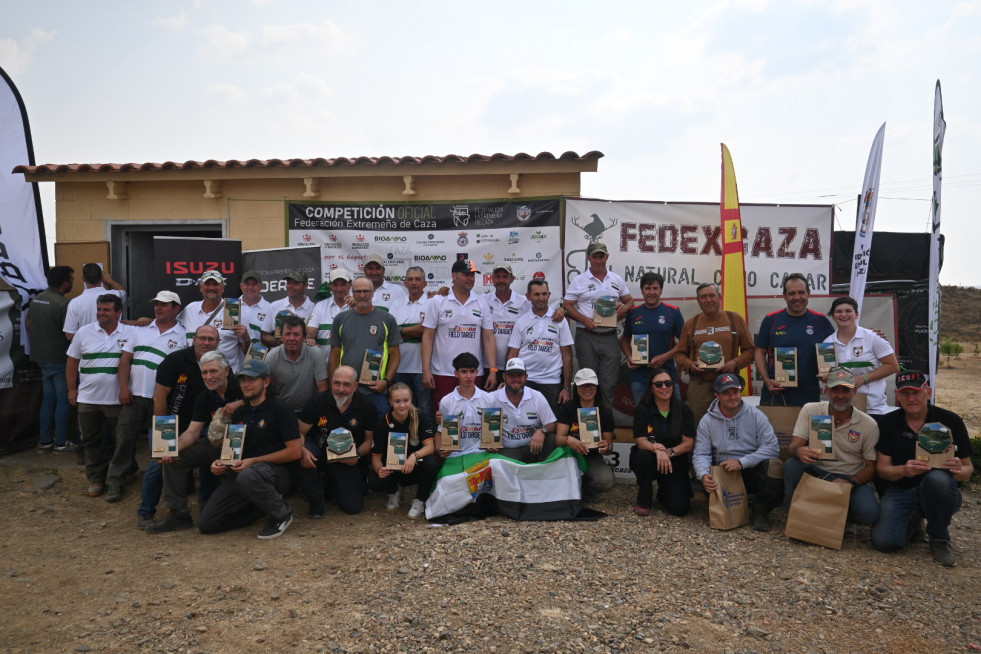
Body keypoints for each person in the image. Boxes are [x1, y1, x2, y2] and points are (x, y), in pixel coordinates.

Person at [871, 371, 974, 566]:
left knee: (937, 479)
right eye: (905, 393)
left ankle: (939, 539)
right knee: (885, 542)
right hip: (901, 489)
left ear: (928, 392)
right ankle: (914, 521)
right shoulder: (887, 423)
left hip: (939, 489)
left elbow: (968, 469)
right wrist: (904, 470)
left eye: (916, 392)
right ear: (897, 395)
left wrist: (957, 470)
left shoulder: (950, 421)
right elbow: (883, 470)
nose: (911, 398)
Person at [197, 359, 302, 539]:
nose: (246, 384)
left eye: (252, 379)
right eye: (243, 380)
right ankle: (261, 506)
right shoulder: (239, 413)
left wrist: (254, 461)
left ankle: (281, 514)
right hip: (244, 475)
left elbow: (295, 451)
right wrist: (221, 463)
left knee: (249, 475)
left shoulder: (280, 409)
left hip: (276, 473)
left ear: (266, 382)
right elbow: (233, 450)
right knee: (207, 524)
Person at [146, 350, 243, 534]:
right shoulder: (204, 396)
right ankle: (179, 514)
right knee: (175, 458)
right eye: (205, 373)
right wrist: (169, 450)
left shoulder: (242, 386)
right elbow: (192, 432)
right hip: (218, 445)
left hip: (248, 448)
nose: (209, 377)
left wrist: (241, 402)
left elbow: (265, 397)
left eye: (213, 371)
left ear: (227, 371)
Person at [136, 325, 220, 529]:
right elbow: (160, 396)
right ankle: (146, 511)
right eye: (202, 338)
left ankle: (205, 503)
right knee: (160, 463)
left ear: (218, 343)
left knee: (210, 458)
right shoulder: (175, 361)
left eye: (211, 339)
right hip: (172, 424)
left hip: (203, 425)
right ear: (194, 339)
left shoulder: (220, 364)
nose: (206, 343)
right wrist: (164, 435)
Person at [109, 291, 185, 503]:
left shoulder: (183, 336)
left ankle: (165, 484)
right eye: (157, 304)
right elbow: (125, 360)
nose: (158, 308)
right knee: (124, 439)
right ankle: (117, 480)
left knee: (163, 443)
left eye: (164, 305)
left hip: (163, 399)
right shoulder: (140, 330)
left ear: (176, 309)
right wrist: (123, 388)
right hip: (134, 396)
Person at [784, 367, 880, 527]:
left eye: (846, 390)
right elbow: (793, 446)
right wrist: (799, 451)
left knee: (868, 514)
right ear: (827, 390)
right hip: (817, 473)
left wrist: (851, 483)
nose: (840, 395)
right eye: (835, 389)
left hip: (850, 478)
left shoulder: (868, 424)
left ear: (854, 391)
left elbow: (871, 467)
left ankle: (839, 516)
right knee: (792, 465)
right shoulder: (810, 410)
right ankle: (795, 515)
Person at [692, 373, 783, 531]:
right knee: (698, 478)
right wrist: (703, 475)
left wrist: (742, 462)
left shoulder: (756, 415)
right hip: (722, 471)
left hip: (749, 469)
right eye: (726, 393)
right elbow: (701, 453)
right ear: (717, 395)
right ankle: (716, 500)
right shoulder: (707, 420)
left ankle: (760, 509)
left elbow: (772, 447)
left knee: (774, 466)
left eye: (736, 392)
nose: (732, 397)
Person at [65, 294, 132, 497]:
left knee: (121, 441)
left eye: (107, 310)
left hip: (117, 399)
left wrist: (141, 321)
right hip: (88, 399)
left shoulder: (130, 332)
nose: (101, 313)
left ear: (118, 313)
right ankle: (96, 479)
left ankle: (118, 479)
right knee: (91, 441)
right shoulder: (84, 332)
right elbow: (72, 362)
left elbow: (152, 327)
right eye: (99, 309)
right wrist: (72, 389)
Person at [298, 365, 377, 517]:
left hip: (346, 458)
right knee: (304, 454)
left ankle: (329, 484)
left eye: (347, 384)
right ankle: (315, 504)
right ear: (331, 382)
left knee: (353, 507)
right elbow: (300, 432)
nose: (340, 389)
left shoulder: (366, 405)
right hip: (319, 451)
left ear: (355, 386)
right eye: (337, 383)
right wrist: (302, 450)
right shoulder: (317, 401)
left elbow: (370, 440)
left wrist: (357, 454)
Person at [562, 242, 633, 406]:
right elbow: (567, 304)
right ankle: (588, 427)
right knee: (587, 382)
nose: (598, 260)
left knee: (608, 384)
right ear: (589, 258)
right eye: (595, 257)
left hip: (610, 336)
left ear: (607, 257)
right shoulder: (580, 280)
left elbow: (630, 301)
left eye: (602, 256)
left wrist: (623, 308)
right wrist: (583, 319)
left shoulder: (616, 279)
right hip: (586, 336)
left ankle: (605, 427)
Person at [674, 282, 755, 423]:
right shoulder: (691, 324)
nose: (708, 300)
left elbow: (751, 351)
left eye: (712, 295)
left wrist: (735, 363)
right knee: (697, 427)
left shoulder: (735, 319)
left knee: (730, 426)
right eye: (703, 297)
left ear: (719, 297)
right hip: (699, 387)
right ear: (698, 301)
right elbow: (679, 354)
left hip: (728, 386)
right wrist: (689, 365)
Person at [422, 258, 496, 407]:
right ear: (454, 276)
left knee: (473, 416)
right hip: (443, 372)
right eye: (466, 274)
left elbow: (488, 338)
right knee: (444, 419)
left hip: (473, 373)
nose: (470, 279)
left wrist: (493, 370)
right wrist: (426, 370)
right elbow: (427, 337)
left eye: (472, 275)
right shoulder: (438, 301)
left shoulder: (481, 302)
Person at [754, 273, 834, 406]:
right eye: (792, 293)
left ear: (809, 293)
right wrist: (767, 380)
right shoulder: (771, 320)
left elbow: (839, 345)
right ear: (784, 296)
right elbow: (759, 351)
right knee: (774, 428)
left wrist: (874, 334)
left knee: (808, 427)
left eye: (801, 292)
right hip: (776, 393)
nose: (797, 297)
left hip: (809, 395)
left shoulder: (820, 320)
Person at [329, 277, 402, 415]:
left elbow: (396, 354)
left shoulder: (387, 319)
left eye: (366, 291)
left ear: (373, 292)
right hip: (346, 390)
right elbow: (334, 354)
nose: (362, 295)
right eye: (358, 292)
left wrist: (386, 381)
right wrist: (334, 384)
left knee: (378, 433)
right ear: (352, 293)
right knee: (346, 433)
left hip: (376, 391)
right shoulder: (341, 319)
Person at [630, 368, 696, 517]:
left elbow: (688, 444)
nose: (664, 387)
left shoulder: (684, 410)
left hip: (674, 461)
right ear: (651, 389)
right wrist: (657, 450)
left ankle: (663, 492)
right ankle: (644, 498)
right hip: (650, 459)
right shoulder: (643, 409)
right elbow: (641, 441)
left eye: (668, 383)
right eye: (658, 384)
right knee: (643, 456)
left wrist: (668, 452)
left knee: (680, 509)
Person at [368, 382, 439, 518]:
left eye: (405, 401)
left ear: (411, 399)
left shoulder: (420, 417)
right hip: (394, 469)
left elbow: (430, 447)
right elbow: (376, 458)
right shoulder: (383, 423)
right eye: (397, 401)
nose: (402, 405)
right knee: (374, 480)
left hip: (413, 468)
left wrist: (414, 456)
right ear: (390, 402)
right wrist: (379, 470)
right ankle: (394, 491)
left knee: (430, 463)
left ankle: (420, 500)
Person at [822, 296, 899, 416]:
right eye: (838, 311)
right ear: (833, 316)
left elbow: (893, 366)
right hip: (842, 408)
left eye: (848, 311)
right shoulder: (827, 343)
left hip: (873, 407)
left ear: (856, 315)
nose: (843, 315)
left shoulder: (872, 337)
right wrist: (826, 377)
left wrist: (864, 378)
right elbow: (827, 372)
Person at [506, 279, 574, 412]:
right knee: (525, 422)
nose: (541, 298)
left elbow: (567, 356)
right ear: (528, 297)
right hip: (525, 381)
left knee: (551, 425)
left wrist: (566, 388)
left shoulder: (560, 320)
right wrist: (509, 381)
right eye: (536, 295)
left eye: (544, 294)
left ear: (549, 294)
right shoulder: (521, 322)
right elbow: (512, 355)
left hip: (551, 381)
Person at [26, 265, 74, 452]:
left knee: (48, 399)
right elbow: (69, 333)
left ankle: (45, 440)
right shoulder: (64, 304)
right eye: (71, 279)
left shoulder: (37, 300)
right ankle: (61, 442)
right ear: (65, 283)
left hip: (40, 358)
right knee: (63, 401)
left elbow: (28, 324)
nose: (72, 282)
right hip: (59, 358)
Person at [619, 272, 684, 404]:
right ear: (642, 291)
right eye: (648, 288)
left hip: (667, 376)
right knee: (644, 419)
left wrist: (664, 357)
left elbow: (684, 343)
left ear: (661, 290)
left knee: (675, 418)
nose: (651, 292)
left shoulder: (673, 312)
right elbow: (625, 340)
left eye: (655, 288)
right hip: (640, 378)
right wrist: (630, 356)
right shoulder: (633, 313)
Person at [555, 368, 615, 498]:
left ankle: (582, 491)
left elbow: (609, 446)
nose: (587, 388)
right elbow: (558, 439)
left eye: (590, 385)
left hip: (592, 457)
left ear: (596, 386)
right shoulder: (567, 408)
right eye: (583, 385)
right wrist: (568, 440)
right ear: (576, 387)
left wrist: (606, 447)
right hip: (570, 455)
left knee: (606, 481)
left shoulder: (605, 411)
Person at [488, 358, 557, 463]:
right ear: (504, 377)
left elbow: (552, 424)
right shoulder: (492, 398)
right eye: (511, 376)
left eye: (519, 376)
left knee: (552, 439)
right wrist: (488, 441)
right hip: (507, 451)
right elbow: (480, 425)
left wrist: (542, 431)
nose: (516, 380)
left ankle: (544, 473)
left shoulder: (537, 396)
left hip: (532, 448)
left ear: (526, 377)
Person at [179, 271, 249, 373]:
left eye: (216, 284)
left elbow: (249, 350)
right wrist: (149, 322)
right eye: (207, 284)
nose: (212, 288)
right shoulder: (190, 309)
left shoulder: (234, 309)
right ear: (201, 288)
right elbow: (171, 324)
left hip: (226, 376)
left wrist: (246, 339)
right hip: (196, 375)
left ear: (223, 288)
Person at [391, 266, 434, 416]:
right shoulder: (397, 304)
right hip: (399, 368)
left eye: (418, 279)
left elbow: (426, 330)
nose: (414, 283)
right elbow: (391, 332)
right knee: (402, 412)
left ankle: (425, 439)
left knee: (425, 410)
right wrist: (415, 332)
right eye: (410, 279)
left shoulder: (432, 302)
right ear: (405, 283)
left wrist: (401, 331)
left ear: (425, 283)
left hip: (422, 369)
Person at [265, 314, 328, 413]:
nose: (291, 338)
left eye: (296, 334)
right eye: (287, 334)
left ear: (304, 337)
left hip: (310, 411)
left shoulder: (315, 353)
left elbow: (322, 389)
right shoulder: (272, 357)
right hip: (281, 412)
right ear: (281, 336)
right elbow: (264, 389)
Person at [435, 352, 493, 458]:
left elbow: (494, 432)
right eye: (464, 372)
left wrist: (493, 444)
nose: (469, 376)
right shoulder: (446, 401)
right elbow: (440, 431)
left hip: (482, 453)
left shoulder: (488, 398)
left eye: (472, 371)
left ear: (477, 372)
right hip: (455, 455)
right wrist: (441, 449)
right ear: (456, 373)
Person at [63, 263, 127, 340]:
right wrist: (110, 281)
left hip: (87, 349)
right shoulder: (115, 295)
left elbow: (70, 335)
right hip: (112, 348)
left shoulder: (74, 303)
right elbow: (123, 291)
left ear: (83, 279)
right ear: (101, 277)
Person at [306, 268, 352, 366]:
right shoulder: (320, 306)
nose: (339, 288)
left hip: (351, 367)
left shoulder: (358, 306)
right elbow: (310, 332)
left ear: (350, 284)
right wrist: (310, 338)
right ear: (330, 285)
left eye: (343, 284)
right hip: (324, 366)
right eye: (335, 285)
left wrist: (357, 308)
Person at [238, 270, 276, 347]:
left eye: (254, 284)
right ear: (241, 286)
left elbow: (271, 336)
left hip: (260, 357)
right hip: (234, 358)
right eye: (247, 284)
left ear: (261, 287)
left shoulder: (270, 308)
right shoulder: (232, 305)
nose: (250, 287)